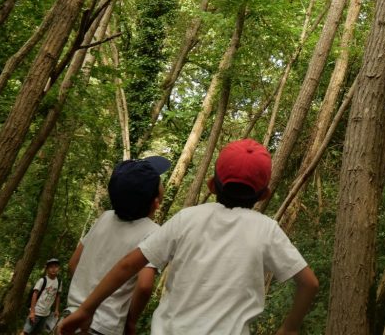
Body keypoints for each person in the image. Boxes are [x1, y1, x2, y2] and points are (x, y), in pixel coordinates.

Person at [60, 139, 319, 335]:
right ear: (264, 195)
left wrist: (86, 309)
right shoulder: (267, 229)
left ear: (211, 185)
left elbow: (129, 264)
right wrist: (289, 329)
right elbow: (309, 283)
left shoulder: (187, 218)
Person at [65, 155, 170, 335]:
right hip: (104, 326)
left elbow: (73, 263)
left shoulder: (104, 218)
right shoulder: (153, 232)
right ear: (156, 202)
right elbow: (144, 286)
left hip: (71, 318)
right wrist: (130, 322)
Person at [21, 258, 61, 335]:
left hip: (46, 314)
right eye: (51, 267)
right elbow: (34, 294)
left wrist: (56, 309)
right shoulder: (42, 280)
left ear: (59, 268)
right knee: (26, 332)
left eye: (56, 266)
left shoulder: (59, 282)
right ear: (47, 269)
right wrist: (32, 312)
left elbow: (58, 295)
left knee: (36, 333)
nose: (53, 269)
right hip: (36, 311)